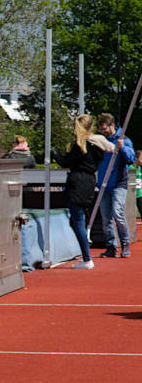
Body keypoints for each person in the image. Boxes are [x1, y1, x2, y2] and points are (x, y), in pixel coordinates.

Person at [51, 114, 115, 270]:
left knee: (77, 221)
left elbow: (66, 161)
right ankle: (85, 253)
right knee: (77, 220)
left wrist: (55, 154)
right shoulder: (97, 144)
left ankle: (87, 258)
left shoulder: (81, 145)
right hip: (89, 182)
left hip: (77, 183)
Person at [95, 112, 136, 258]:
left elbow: (131, 159)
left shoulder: (123, 139)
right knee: (106, 217)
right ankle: (111, 246)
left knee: (117, 213)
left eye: (105, 129)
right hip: (104, 184)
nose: (103, 132)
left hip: (119, 182)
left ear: (112, 126)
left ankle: (125, 244)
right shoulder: (101, 140)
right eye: (101, 130)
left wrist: (122, 147)